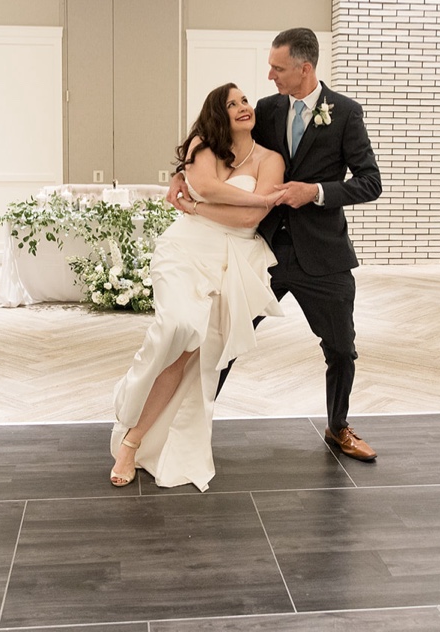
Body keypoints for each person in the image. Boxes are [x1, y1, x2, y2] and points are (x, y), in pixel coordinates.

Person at [169, 27, 383, 462]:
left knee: (341, 347)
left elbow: (369, 183)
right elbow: (214, 138)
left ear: (305, 69)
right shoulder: (265, 110)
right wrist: (181, 172)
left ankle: (338, 427)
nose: (269, 76)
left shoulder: (345, 113)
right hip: (261, 251)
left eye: (278, 68)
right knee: (224, 339)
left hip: (323, 255)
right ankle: (194, 423)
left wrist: (317, 192)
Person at [109, 83, 285, 491]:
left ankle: (131, 445)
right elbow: (210, 188)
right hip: (185, 250)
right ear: (217, 115)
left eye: (244, 100)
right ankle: (130, 393)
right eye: (231, 104)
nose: (243, 107)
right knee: (177, 328)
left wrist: (199, 205)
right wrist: (216, 200)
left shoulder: (270, 159)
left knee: (189, 361)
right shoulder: (204, 147)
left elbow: (249, 219)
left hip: (233, 263)